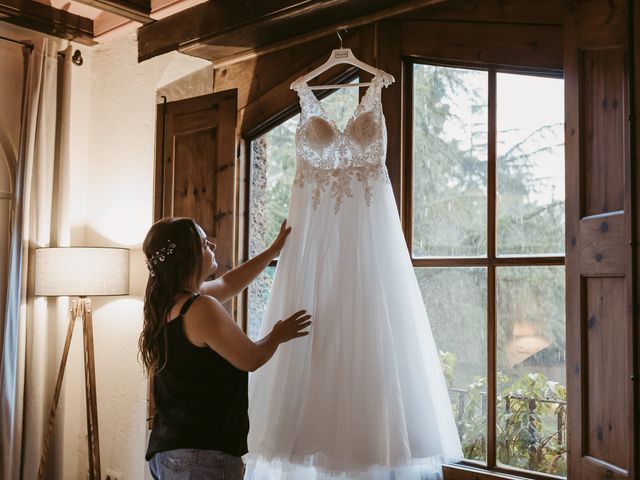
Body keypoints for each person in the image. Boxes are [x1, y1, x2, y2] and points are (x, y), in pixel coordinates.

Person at [138, 216, 311, 480]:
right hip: (201, 455)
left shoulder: (167, 303)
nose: (213, 247)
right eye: (205, 244)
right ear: (189, 256)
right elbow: (251, 358)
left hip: (170, 451)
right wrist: (277, 335)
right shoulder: (201, 308)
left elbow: (229, 284)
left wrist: (273, 251)